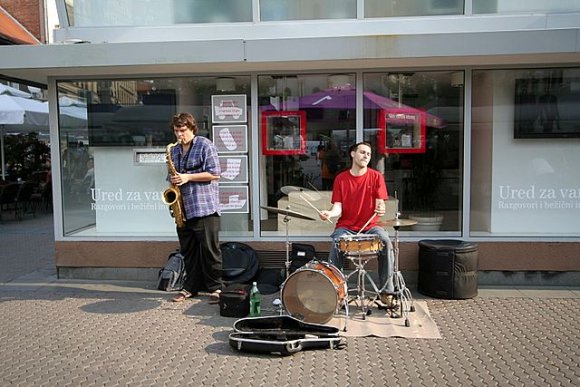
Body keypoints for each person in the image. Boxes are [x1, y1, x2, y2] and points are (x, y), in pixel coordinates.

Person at [318, 141, 395, 296]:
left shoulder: (376, 177)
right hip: (346, 227)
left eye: (368, 154)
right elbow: (337, 208)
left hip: (370, 227)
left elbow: (380, 206)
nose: (366, 156)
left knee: (386, 241)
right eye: (362, 152)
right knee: (336, 242)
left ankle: (388, 292)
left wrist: (381, 208)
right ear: (353, 154)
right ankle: (336, 292)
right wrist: (329, 213)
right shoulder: (341, 179)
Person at [168, 112, 224, 304]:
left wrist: (187, 177)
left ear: (192, 128)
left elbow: (215, 174)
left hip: (204, 208)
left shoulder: (205, 145)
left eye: (182, 131)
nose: (179, 135)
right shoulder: (174, 150)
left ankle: (216, 288)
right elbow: (172, 176)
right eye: (176, 131)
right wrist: (174, 181)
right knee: (189, 252)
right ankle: (190, 287)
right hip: (183, 209)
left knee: (210, 251)